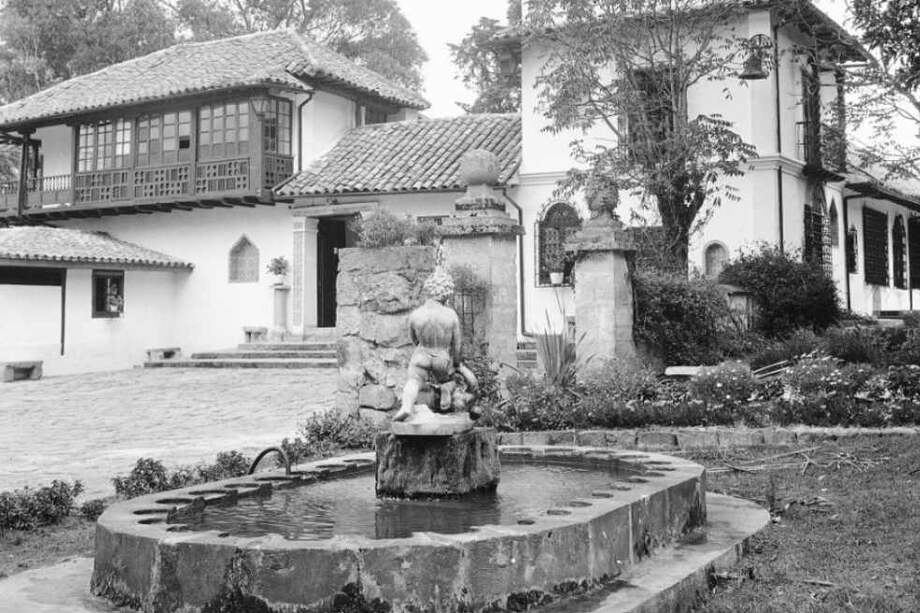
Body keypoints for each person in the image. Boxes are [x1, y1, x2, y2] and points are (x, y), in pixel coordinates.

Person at [392, 266, 463, 422]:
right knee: (449, 381)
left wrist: (422, 347)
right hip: (442, 357)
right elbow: (457, 344)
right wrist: (456, 363)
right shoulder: (450, 315)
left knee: (413, 381)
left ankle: (406, 407)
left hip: (422, 354)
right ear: (446, 292)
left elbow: (413, 339)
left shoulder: (416, 314)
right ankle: (445, 389)